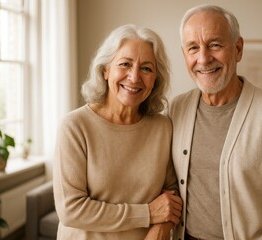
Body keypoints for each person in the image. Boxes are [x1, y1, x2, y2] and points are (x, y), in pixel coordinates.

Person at [168, 4, 262, 240]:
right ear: (185, 56)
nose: (203, 59)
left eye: (215, 44)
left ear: (238, 49)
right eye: (193, 48)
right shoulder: (176, 109)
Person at [53, 24, 182, 240]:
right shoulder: (75, 126)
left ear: (155, 79)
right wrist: (147, 214)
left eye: (147, 68)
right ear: (105, 70)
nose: (134, 77)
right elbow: (71, 210)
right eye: (125, 64)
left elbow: (172, 194)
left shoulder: (163, 127)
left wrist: (161, 229)